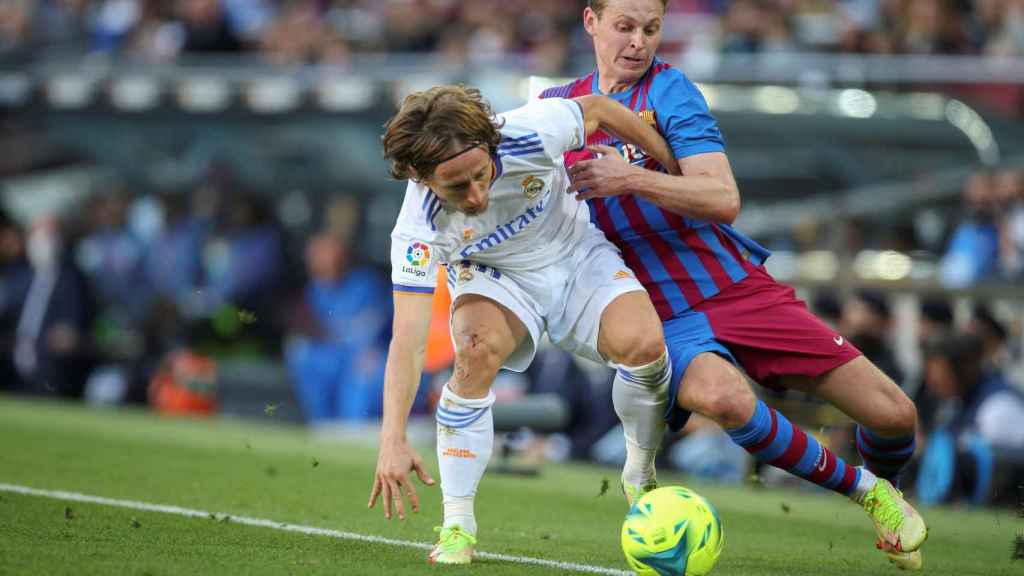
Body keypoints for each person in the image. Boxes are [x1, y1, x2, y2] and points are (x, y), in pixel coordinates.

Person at [541, 0, 926, 570]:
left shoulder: (670, 93)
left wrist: (629, 177)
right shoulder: (553, 108)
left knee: (896, 416)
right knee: (723, 398)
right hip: (650, 312)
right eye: (624, 26)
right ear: (591, 21)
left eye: (651, 29)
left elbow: (723, 199)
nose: (638, 42)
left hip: (734, 288)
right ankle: (864, 491)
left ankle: (887, 495)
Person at [367, 84, 681, 565]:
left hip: (574, 252)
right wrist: (392, 439)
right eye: (457, 187)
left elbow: (598, 110)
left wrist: (672, 168)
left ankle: (639, 469)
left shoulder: (531, 131)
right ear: (419, 176)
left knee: (645, 346)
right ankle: (457, 526)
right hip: (497, 277)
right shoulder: (417, 230)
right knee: (474, 351)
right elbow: (406, 340)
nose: (476, 194)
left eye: (481, 174)